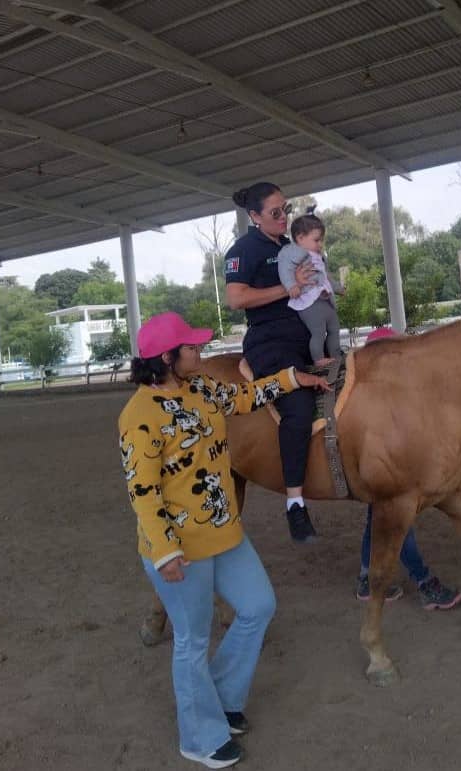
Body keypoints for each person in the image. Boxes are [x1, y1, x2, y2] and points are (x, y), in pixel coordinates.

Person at [118, 312, 329, 768]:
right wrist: (165, 550)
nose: (201, 353)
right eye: (191, 348)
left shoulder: (202, 389)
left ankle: (221, 697)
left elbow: (248, 395)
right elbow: (143, 490)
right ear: (167, 358)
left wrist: (294, 378)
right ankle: (199, 737)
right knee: (191, 641)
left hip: (224, 532)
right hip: (179, 548)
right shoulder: (138, 416)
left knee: (258, 607)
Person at [224, 182, 319, 543]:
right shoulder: (244, 249)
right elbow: (236, 298)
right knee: (297, 406)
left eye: (287, 209)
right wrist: (288, 287)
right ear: (254, 216)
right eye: (276, 212)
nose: (284, 217)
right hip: (271, 343)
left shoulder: (290, 245)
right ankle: (295, 504)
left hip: (306, 337)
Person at [354, 326, 461, 610]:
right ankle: (424, 581)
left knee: (377, 517)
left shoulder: (391, 394)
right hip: (386, 470)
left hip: (382, 470)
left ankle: (366, 578)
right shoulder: (377, 397)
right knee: (399, 524)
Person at [277, 211, 343, 366]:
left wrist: (339, 288)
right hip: (309, 301)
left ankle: (336, 355)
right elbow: (284, 269)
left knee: (335, 329)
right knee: (318, 332)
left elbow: (326, 277)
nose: (320, 244)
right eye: (316, 240)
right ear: (300, 238)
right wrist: (291, 285)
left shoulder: (320, 256)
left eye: (321, 240)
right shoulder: (291, 252)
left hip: (325, 300)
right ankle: (319, 359)